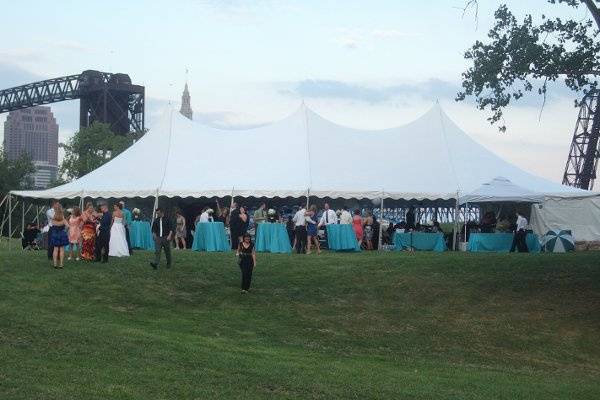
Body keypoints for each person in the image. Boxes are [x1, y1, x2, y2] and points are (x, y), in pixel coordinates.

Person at [49, 205, 69, 269]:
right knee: (62, 250)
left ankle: (55, 264)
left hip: (55, 234)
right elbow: (68, 226)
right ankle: (61, 264)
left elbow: (51, 225)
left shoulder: (53, 220)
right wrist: (65, 230)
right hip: (62, 234)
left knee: (55, 249)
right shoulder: (63, 220)